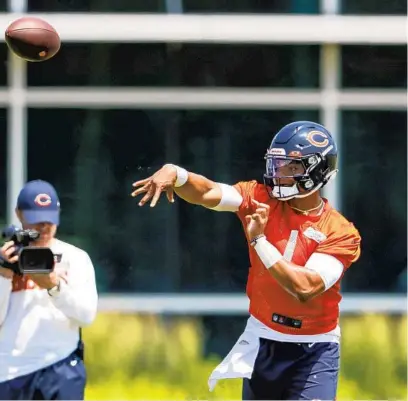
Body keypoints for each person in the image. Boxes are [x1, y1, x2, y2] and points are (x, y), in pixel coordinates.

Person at [131, 121, 361, 400]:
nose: (280, 174)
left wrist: (259, 241)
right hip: (264, 337)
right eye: (278, 165)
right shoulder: (260, 197)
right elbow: (207, 192)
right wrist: (178, 174)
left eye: (292, 168)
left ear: (318, 170)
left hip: (313, 348)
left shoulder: (340, 231)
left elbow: (305, 287)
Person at [0, 180, 98, 400]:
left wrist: (54, 286)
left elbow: (86, 315)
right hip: (10, 372)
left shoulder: (75, 257)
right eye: (35, 221)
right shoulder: (5, 258)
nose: (43, 228)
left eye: (49, 221)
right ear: (19, 214)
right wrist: (4, 275)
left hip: (61, 366)